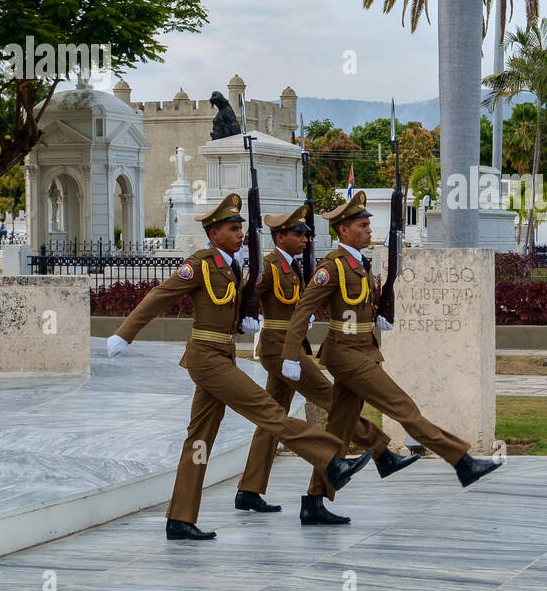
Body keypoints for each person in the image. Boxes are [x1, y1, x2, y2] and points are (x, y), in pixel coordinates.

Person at [106, 192, 371, 540]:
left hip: (223, 354)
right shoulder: (200, 264)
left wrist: (246, 319)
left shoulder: (231, 266)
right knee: (267, 411)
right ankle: (330, 460)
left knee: (199, 440)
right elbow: (160, 295)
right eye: (233, 228)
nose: (240, 234)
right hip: (207, 358)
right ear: (214, 233)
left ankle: (180, 519)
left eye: (240, 228)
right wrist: (124, 334)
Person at [282, 191, 502, 499]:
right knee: (403, 407)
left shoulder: (358, 263)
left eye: (369, 224)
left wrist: (381, 313)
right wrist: (291, 354)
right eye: (362, 225)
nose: (369, 229)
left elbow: (361, 305)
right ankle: (461, 461)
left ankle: (315, 500)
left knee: (340, 429)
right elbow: (303, 309)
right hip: (346, 355)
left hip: (362, 350)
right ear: (343, 230)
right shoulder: (332, 267)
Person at [236, 203, 419, 525]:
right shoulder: (270, 266)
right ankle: (381, 452)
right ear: (280, 237)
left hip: (289, 347)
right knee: (333, 401)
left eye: (306, 234)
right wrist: (247, 316)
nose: (305, 239)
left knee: (272, 419)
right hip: (280, 350)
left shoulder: (293, 266)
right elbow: (245, 294)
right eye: (298, 234)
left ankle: (250, 489)